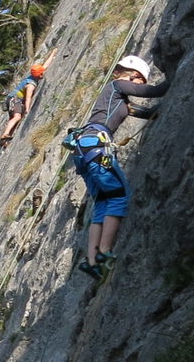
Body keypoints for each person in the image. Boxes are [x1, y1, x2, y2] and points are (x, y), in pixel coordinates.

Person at [68, 53, 172, 281]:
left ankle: (92, 260)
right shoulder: (117, 86)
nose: (136, 87)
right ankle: (105, 252)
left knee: (103, 202)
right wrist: (174, 77)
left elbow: (143, 112)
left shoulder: (117, 101)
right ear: (134, 76)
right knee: (119, 196)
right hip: (96, 145)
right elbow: (151, 92)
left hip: (84, 150)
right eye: (137, 82)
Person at [0, 52, 53, 145]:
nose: (43, 72)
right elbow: (28, 98)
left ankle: (5, 141)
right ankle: (5, 134)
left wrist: (53, 54)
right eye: (42, 73)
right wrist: (27, 109)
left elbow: (45, 65)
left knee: (15, 119)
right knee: (17, 117)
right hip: (14, 99)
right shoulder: (30, 85)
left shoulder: (34, 75)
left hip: (13, 99)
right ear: (39, 75)